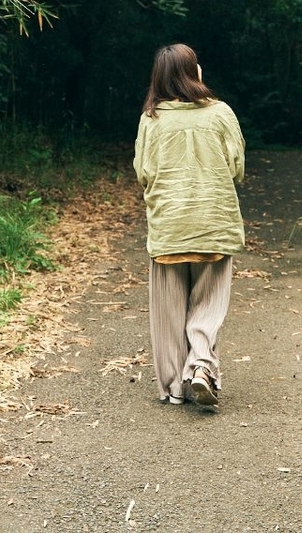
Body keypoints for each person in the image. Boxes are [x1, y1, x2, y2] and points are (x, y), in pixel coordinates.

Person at [133, 43, 245, 409]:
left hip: (169, 226)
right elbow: (236, 167)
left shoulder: (152, 118)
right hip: (213, 222)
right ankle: (200, 365)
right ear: (194, 72)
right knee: (209, 304)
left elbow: (143, 172)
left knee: (167, 312)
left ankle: (173, 389)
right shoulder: (221, 113)